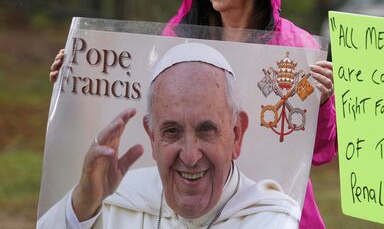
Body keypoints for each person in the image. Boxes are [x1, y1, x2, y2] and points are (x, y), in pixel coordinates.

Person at [49, 0, 337, 228]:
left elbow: (320, 150)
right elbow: (139, 92)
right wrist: (79, 72)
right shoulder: (178, 34)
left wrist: (323, 103)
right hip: (191, 195)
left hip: (265, 206)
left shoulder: (295, 46)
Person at [38, 43, 302, 228]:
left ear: (236, 135)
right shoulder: (113, 202)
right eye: (172, 132)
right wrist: (83, 203)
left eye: (206, 131)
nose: (189, 156)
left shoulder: (270, 218)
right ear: (152, 137)